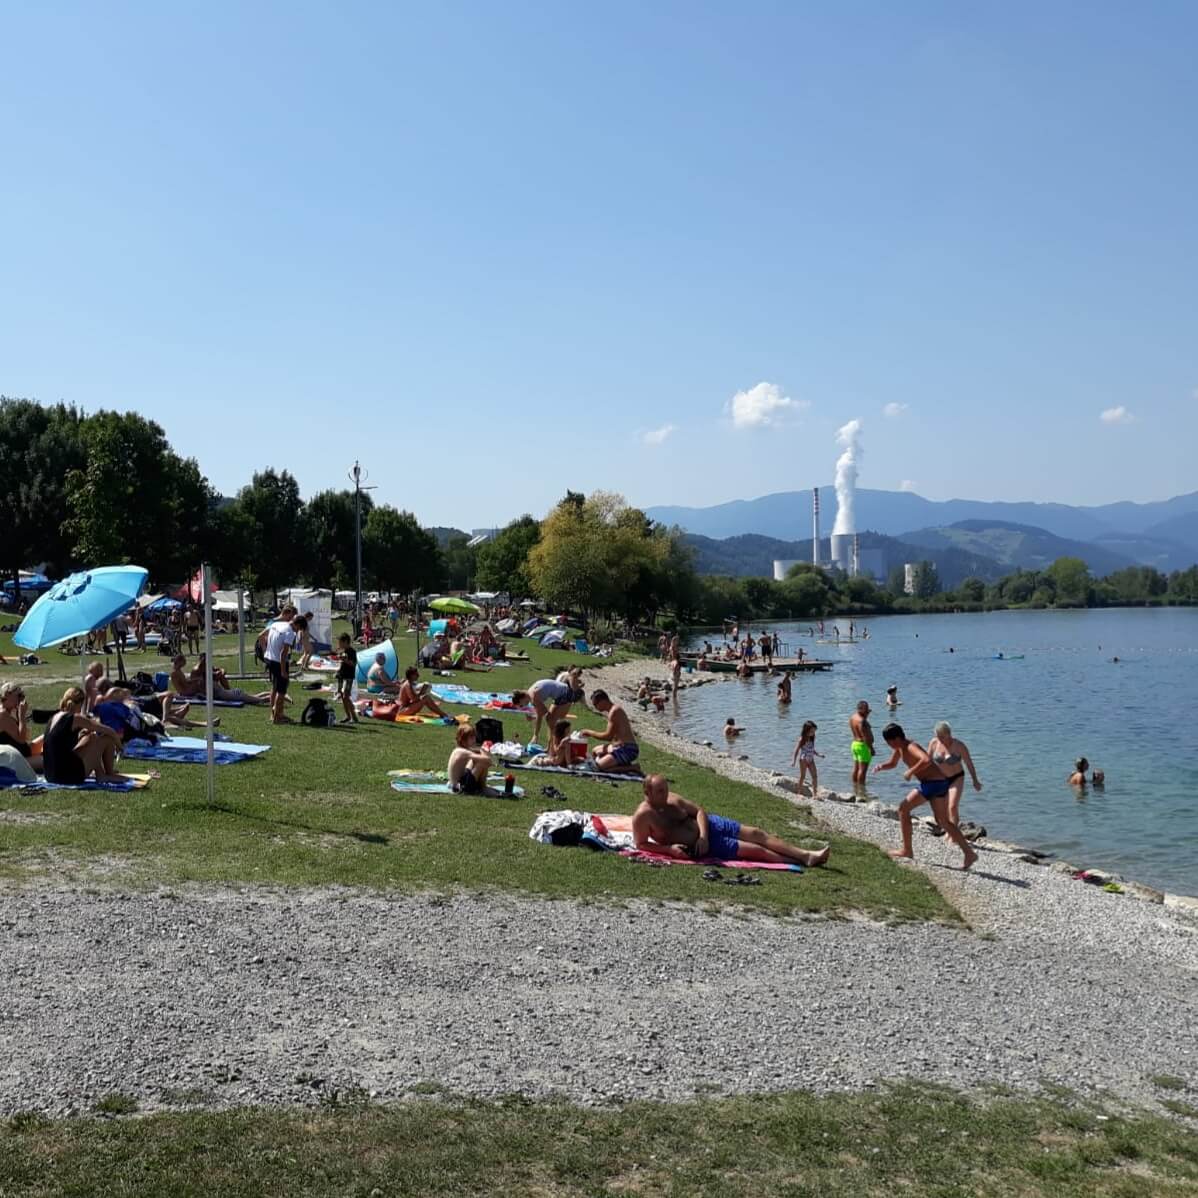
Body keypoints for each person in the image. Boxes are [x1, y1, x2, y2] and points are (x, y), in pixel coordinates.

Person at [633, 774, 830, 866]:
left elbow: (699, 811)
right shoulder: (643, 816)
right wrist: (668, 850)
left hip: (710, 827)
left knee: (756, 833)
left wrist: (703, 835)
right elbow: (641, 844)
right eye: (660, 791)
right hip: (703, 846)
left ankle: (805, 855)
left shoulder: (672, 799)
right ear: (647, 792)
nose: (665, 794)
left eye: (665, 789)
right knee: (756, 850)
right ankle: (798, 861)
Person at [874, 723, 977, 870]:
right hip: (940, 783)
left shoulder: (910, 746)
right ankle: (969, 853)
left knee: (903, 809)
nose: (888, 745)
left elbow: (926, 760)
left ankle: (907, 850)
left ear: (896, 739)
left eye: (889, 742)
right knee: (943, 821)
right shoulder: (900, 748)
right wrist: (882, 766)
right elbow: (893, 763)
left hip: (932, 783)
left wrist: (911, 772)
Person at [42, 686, 128, 785]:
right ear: (80, 704)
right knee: (107, 739)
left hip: (50, 775)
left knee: (91, 737)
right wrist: (120, 747)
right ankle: (108, 774)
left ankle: (100, 774)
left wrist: (84, 736)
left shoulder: (54, 717)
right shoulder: (76, 718)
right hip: (67, 777)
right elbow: (110, 731)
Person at [927, 721, 982, 828]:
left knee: (952, 806)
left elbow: (969, 764)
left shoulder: (959, 746)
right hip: (940, 779)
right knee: (942, 808)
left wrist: (975, 780)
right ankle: (948, 830)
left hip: (956, 778)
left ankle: (953, 835)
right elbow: (927, 761)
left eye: (942, 737)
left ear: (949, 734)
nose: (940, 739)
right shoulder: (934, 743)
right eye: (938, 736)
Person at [576, 689, 641, 773]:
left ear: (603, 701)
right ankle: (618, 763)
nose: (595, 707)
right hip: (619, 746)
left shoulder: (614, 712)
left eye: (596, 704)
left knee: (598, 767)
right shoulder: (613, 710)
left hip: (628, 749)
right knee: (595, 751)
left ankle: (632, 767)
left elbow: (608, 737)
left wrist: (589, 732)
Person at [516, 670, 585, 742]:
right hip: (561, 695)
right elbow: (541, 712)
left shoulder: (532, 696)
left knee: (552, 721)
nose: (522, 706)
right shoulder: (530, 692)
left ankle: (558, 744)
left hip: (566, 694)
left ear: (522, 698)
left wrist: (535, 734)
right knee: (551, 720)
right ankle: (552, 746)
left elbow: (543, 712)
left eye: (521, 705)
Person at [264, 614, 305, 725]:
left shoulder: (277, 624)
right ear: (297, 625)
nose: (297, 631)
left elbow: (265, 637)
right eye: (299, 629)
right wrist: (283, 671)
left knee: (274, 687)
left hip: (269, 658)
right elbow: (283, 653)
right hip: (278, 662)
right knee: (281, 691)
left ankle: (274, 714)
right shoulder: (290, 632)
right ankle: (277, 717)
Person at [0, 682, 44, 772]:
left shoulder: (7, 712)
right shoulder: (2, 715)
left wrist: (18, 715)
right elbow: (22, 739)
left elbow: (25, 738)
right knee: (52, 761)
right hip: (17, 760)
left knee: (48, 734)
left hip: (23, 753)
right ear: (7, 695)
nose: (21, 699)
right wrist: (21, 716)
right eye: (18, 695)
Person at [447, 724, 494, 794]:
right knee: (482, 763)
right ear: (463, 740)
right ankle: (483, 787)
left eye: (474, 736)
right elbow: (488, 761)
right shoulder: (463, 752)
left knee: (477, 759)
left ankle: (481, 786)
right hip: (459, 787)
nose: (474, 739)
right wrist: (483, 750)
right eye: (471, 737)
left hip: (456, 783)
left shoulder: (460, 750)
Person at [791, 720, 823, 796]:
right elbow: (796, 750)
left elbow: (811, 749)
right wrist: (793, 761)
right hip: (803, 760)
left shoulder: (812, 738)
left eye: (814, 731)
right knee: (803, 776)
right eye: (812, 731)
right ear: (806, 730)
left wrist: (818, 754)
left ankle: (815, 794)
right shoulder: (802, 739)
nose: (813, 733)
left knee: (815, 776)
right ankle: (799, 792)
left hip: (811, 759)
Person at [334, 633, 359, 724]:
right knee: (342, 696)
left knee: (346, 696)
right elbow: (341, 662)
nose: (338, 644)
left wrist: (345, 660)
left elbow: (353, 664)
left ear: (345, 642)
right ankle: (348, 717)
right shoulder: (342, 650)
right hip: (341, 676)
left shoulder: (352, 651)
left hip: (349, 677)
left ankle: (354, 717)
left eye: (340, 642)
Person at [849, 700, 873, 787]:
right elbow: (865, 736)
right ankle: (861, 790)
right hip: (863, 746)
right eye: (866, 709)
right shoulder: (862, 722)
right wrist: (871, 748)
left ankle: (854, 787)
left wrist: (866, 715)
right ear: (860, 709)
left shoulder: (853, 717)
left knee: (856, 768)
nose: (867, 711)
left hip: (855, 744)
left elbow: (858, 730)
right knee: (863, 770)